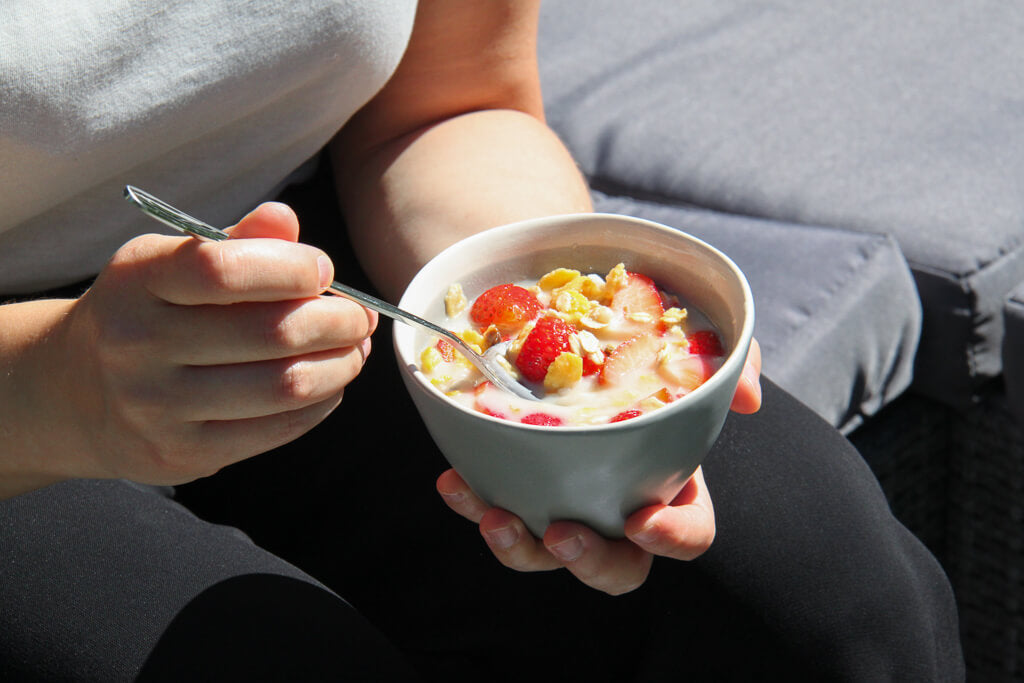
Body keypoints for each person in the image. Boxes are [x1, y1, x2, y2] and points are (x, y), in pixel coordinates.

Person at [0, 1, 963, 681]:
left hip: (336, 261)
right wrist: (55, 391)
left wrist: (571, 331)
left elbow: (451, 101)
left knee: (826, 593)